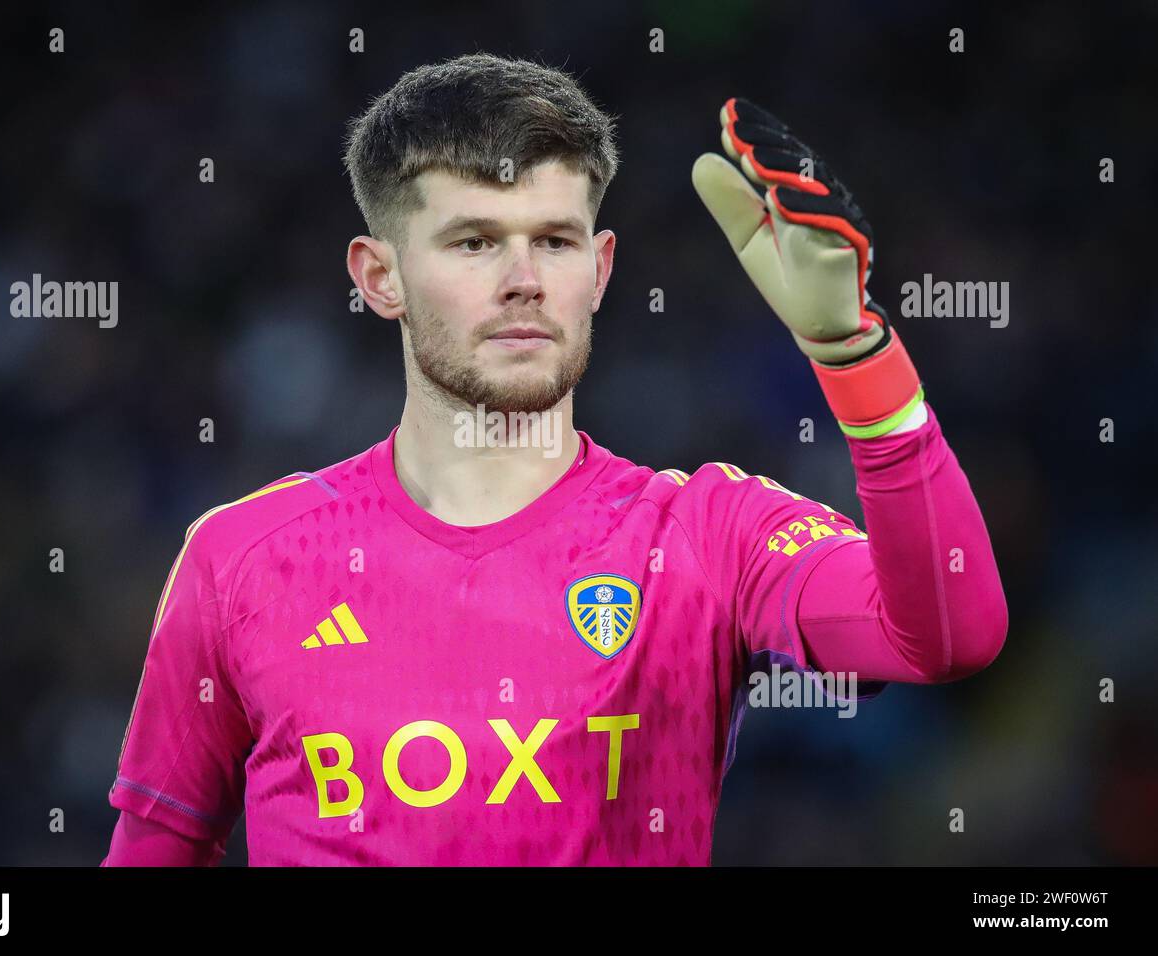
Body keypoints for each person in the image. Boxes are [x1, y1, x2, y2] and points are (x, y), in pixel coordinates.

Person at [102, 53, 1006, 866]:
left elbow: (949, 636)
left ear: (602, 270)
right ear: (380, 278)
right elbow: (155, 850)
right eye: (474, 241)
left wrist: (855, 355)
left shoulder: (707, 535)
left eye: (555, 239)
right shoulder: (242, 559)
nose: (524, 278)